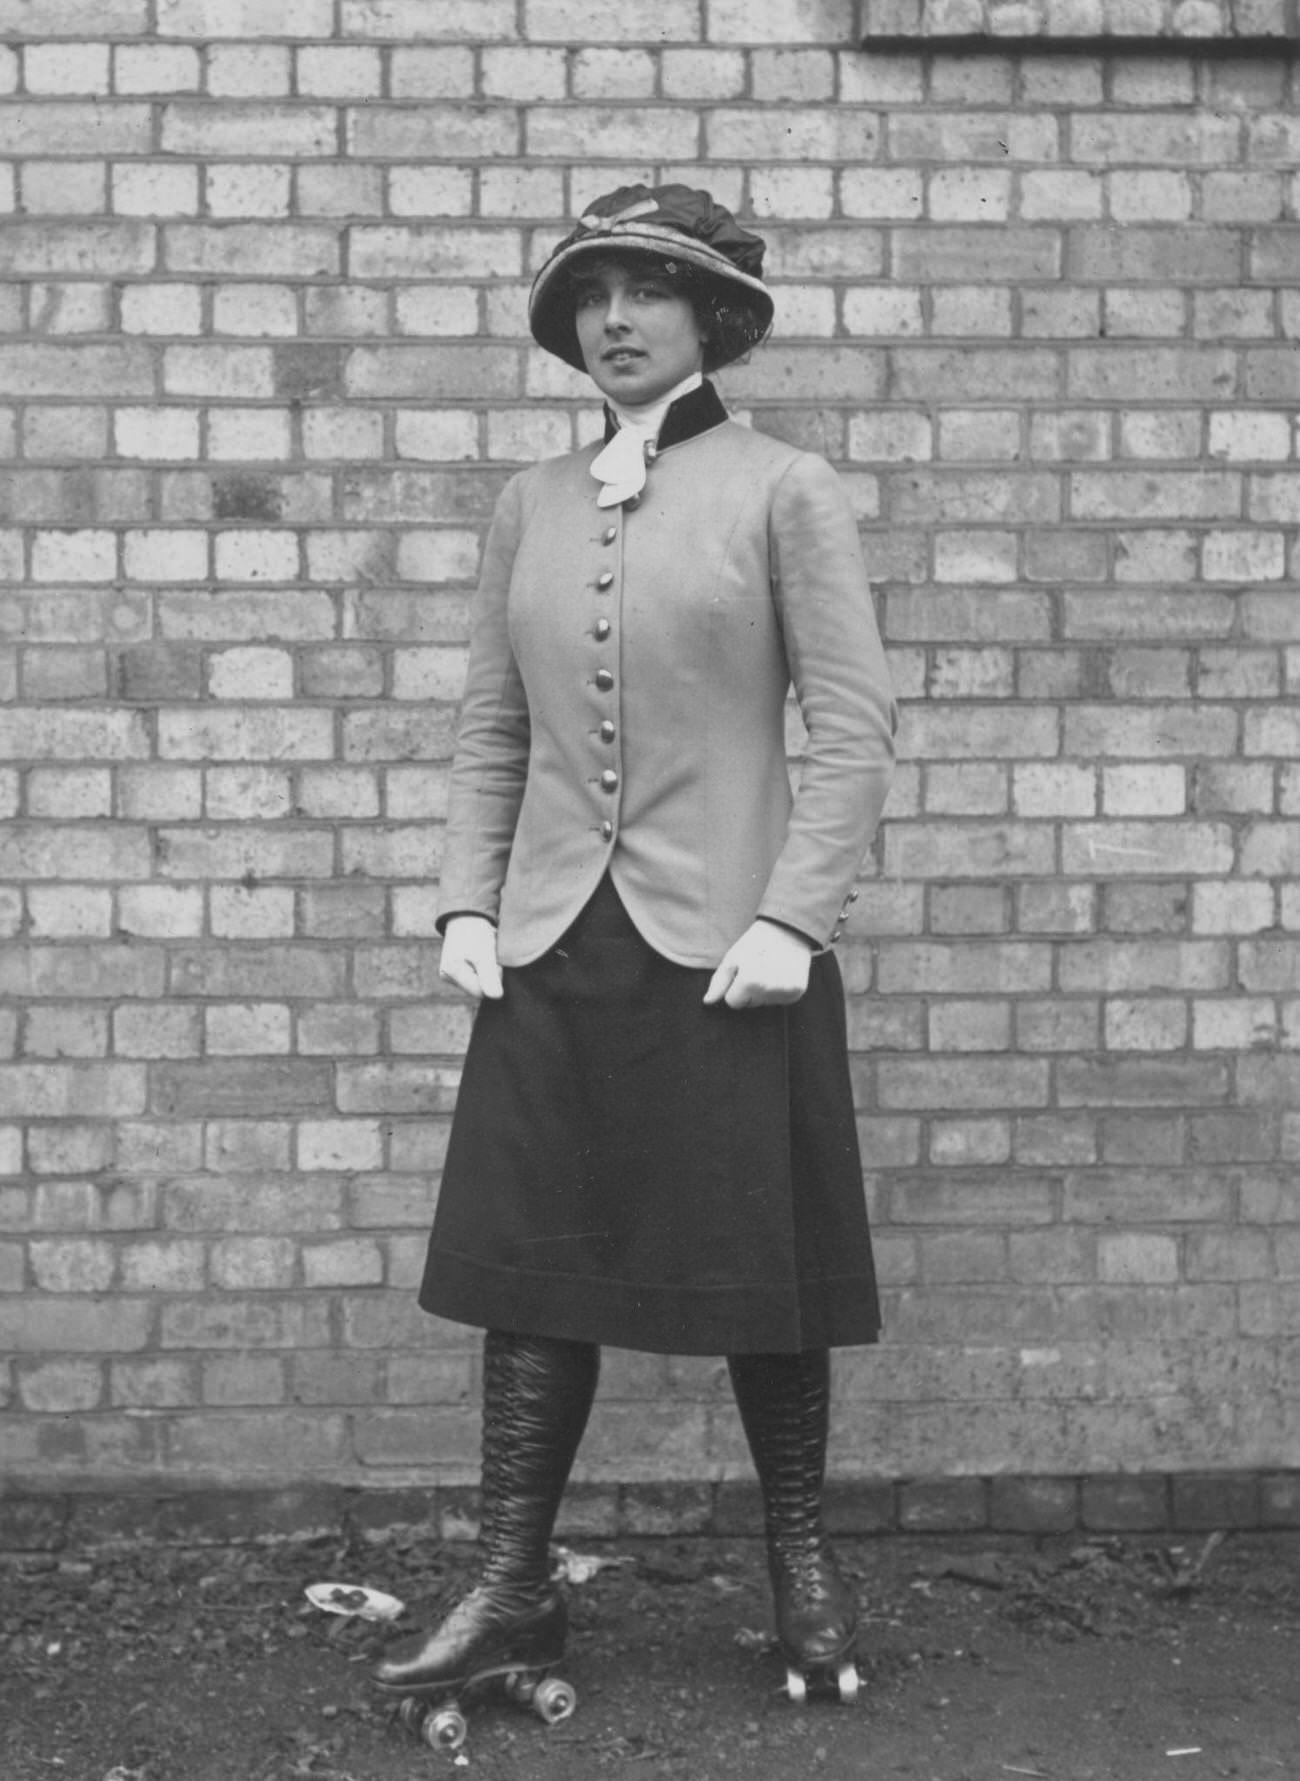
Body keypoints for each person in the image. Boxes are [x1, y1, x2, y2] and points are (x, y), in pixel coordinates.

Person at [374, 184, 897, 1713]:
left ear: (713, 317)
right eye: (592, 291)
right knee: (532, 1275)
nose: (615, 318)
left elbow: (854, 733)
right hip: (553, 943)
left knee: (764, 1268)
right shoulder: (527, 503)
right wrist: (469, 900)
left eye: (648, 291)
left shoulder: (785, 489)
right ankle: (512, 1588)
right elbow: (492, 723)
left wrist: (794, 915)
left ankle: (802, 1567)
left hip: (729, 944)